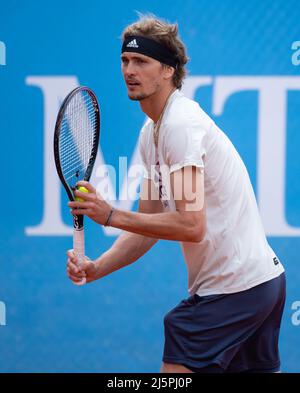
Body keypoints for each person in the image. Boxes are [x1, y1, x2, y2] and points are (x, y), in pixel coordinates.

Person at [66, 15, 286, 373]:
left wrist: (109, 214)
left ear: (168, 70)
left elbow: (190, 224)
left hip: (234, 290)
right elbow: (147, 228)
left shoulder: (180, 126)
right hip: (261, 286)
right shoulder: (152, 132)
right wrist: (96, 267)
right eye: (125, 61)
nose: (129, 70)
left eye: (141, 61)